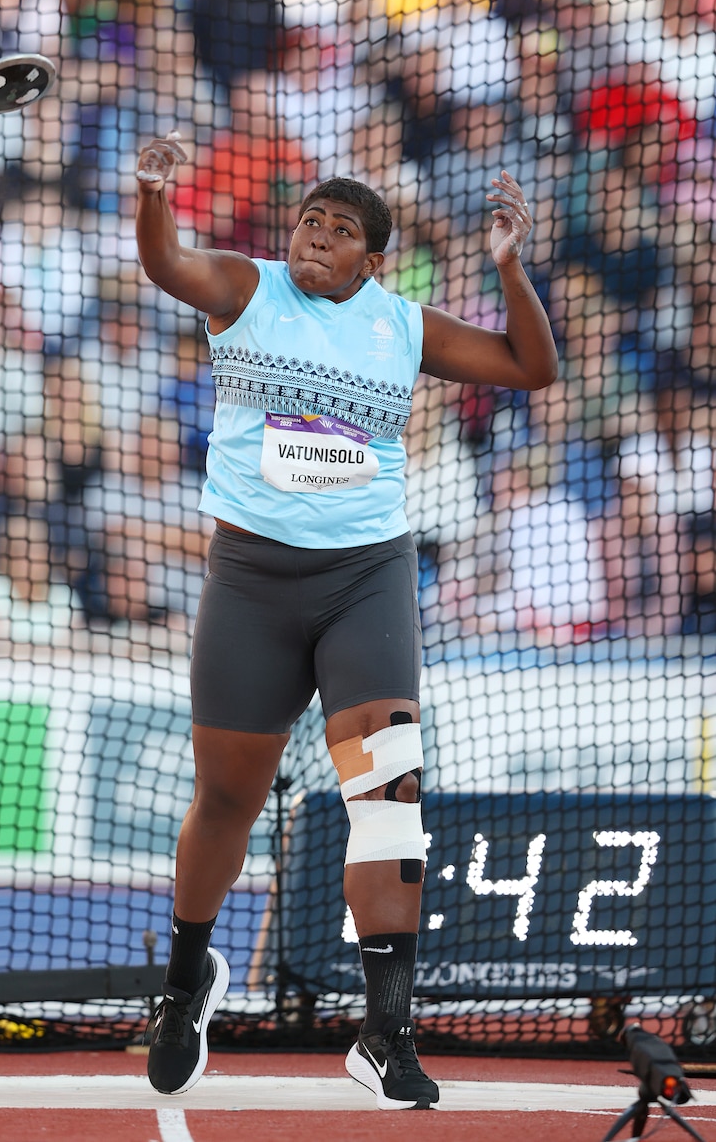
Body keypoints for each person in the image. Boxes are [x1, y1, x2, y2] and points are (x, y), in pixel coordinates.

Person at [135, 131, 557, 1108]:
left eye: (337, 231)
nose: (315, 238)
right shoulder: (248, 289)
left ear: (372, 260)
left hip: (365, 580)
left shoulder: (400, 325)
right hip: (250, 583)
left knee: (387, 794)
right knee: (226, 799)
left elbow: (531, 367)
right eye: (307, 222)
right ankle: (185, 978)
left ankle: (385, 1028)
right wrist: (155, 194)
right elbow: (166, 263)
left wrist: (506, 265)